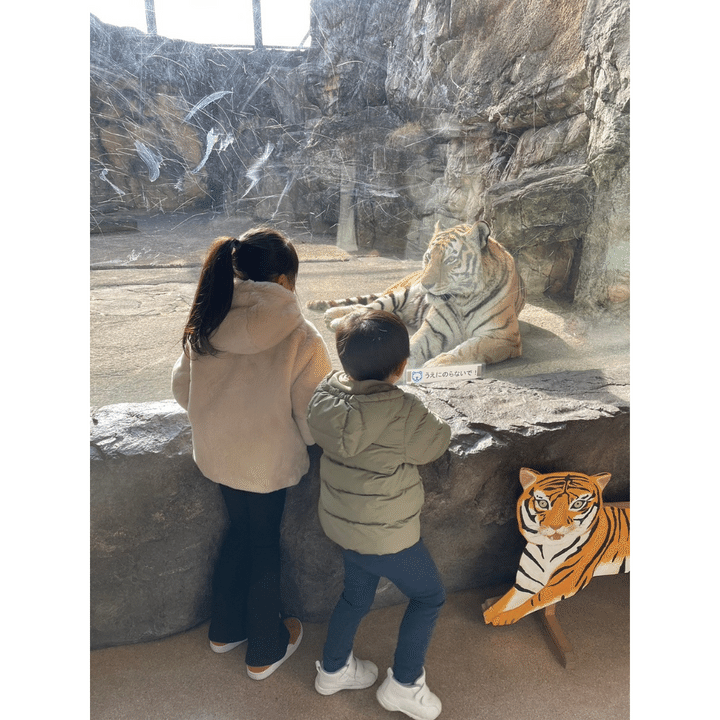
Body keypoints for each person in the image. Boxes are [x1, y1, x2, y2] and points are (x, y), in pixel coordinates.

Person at [171, 227, 331, 680]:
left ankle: (224, 630)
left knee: (238, 533)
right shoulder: (302, 335)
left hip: (219, 455)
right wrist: (309, 440)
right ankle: (264, 648)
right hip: (269, 462)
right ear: (284, 280)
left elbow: (182, 391)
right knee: (264, 543)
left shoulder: (207, 318)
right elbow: (312, 414)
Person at [307, 309, 451, 720]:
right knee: (429, 596)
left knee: (355, 597)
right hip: (389, 536)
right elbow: (436, 441)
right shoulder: (402, 411)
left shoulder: (325, 396)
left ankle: (333, 670)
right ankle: (404, 685)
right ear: (402, 366)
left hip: (345, 529)